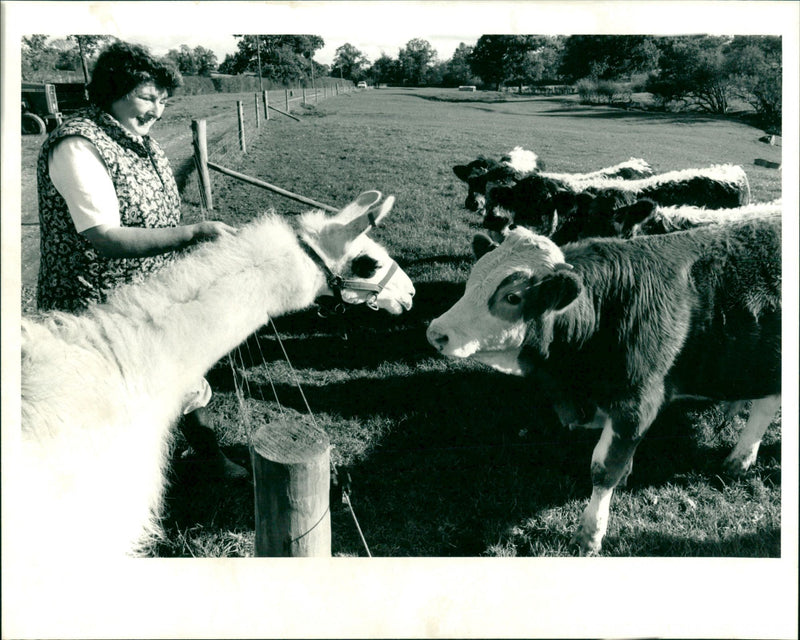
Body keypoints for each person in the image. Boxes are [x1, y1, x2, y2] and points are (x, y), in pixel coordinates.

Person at [36, 40, 247, 478]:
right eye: (148, 97)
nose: (157, 111)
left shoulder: (138, 140)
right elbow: (105, 236)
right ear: (113, 88)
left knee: (179, 373)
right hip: (96, 302)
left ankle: (206, 459)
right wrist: (193, 233)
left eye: (164, 101)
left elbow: (151, 211)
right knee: (103, 396)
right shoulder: (77, 144)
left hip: (147, 293)